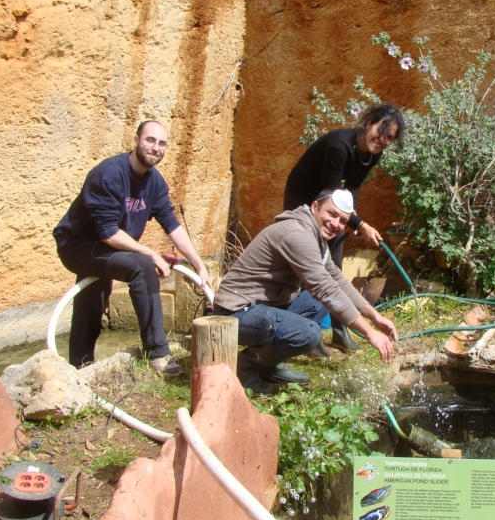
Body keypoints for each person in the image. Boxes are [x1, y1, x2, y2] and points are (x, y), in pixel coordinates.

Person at [53, 120, 212, 373]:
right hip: (78, 246)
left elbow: (171, 223)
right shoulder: (108, 174)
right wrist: (149, 253)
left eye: (162, 143)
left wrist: (199, 264)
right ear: (135, 140)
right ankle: (158, 353)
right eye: (150, 140)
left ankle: (80, 367)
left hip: (110, 248)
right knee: (142, 266)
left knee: (93, 299)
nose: (155, 147)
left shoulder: (155, 181)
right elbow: (107, 233)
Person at [214, 189, 397, 395]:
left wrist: (375, 317)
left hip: (260, 306)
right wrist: (370, 333)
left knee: (316, 303)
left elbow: (336, 280)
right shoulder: (297, 233)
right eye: (331, 214)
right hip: (234, 312)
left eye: (343, 220)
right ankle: (247, 366)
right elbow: (324, 288)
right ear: (314, 207)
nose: (335, 223)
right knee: (308, 333)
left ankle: (267, 363)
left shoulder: (315, 235)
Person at [283, 103, 404, 353]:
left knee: (334, 265)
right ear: (368, 121)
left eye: (389, 137)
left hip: (330, 200)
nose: (382, 140)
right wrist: (359, 224)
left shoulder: (372, 154)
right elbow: (331, 194)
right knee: (311, 265)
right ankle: (311, 335)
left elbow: (353, 187)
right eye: (380, 130)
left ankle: (339, 330)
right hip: (305, 198)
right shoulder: (339, 146)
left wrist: (352, 214)